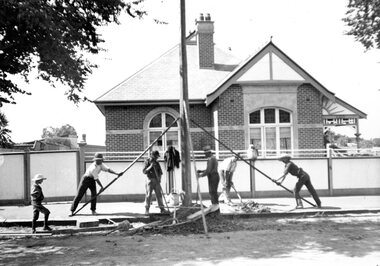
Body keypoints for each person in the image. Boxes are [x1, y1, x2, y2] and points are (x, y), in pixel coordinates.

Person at [143, 150, 168, 215]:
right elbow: (144, 171)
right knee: (148, 195)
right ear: (152, 155)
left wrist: (159, 178)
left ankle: (162, 209)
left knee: (159, 195)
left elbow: (160, 172)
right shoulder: (147, 161)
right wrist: (151, 166)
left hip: (157, 181)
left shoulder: (157, 163)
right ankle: (147, 209)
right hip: (150, 180)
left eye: (157, 157)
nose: (157, 158)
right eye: (156, 157)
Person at [197, 145, 220, 211]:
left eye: (205, 153)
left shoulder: (210, 159)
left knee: (212, 191)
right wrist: (201, 171)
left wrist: (200, 175)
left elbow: (208, 170)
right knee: (213, 191)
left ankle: (215, 205)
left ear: (208, 153)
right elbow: (209, 169)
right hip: (213, 176)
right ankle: (215, 204)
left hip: (213, 177)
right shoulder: (213, 158)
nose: (204, 155)